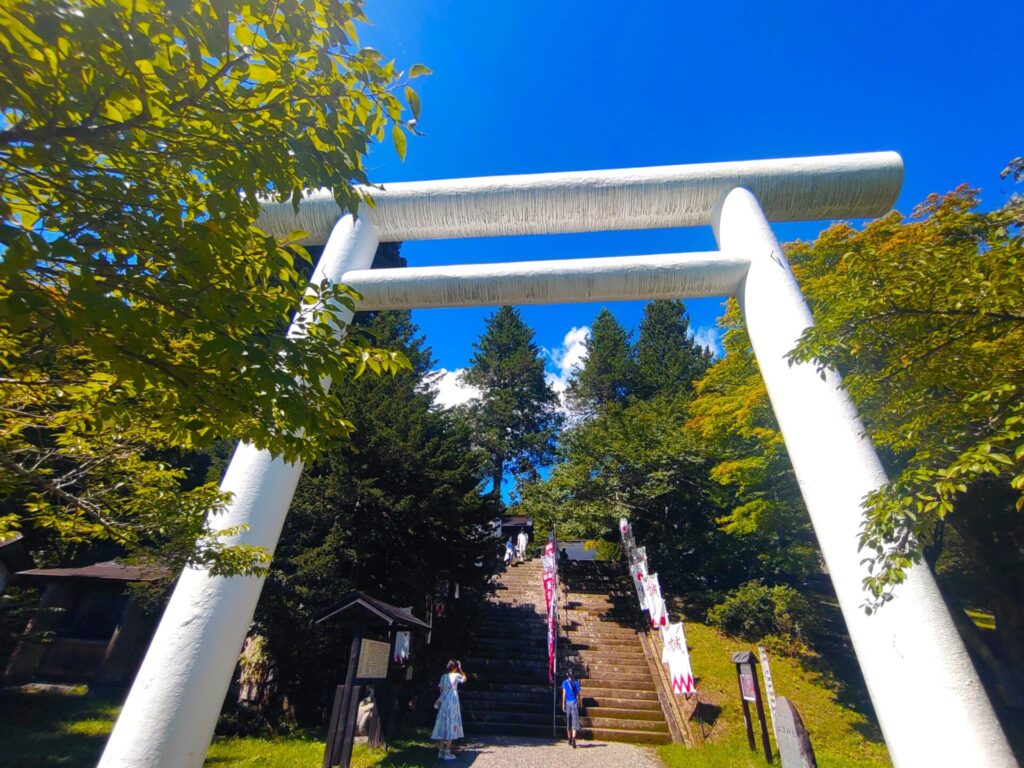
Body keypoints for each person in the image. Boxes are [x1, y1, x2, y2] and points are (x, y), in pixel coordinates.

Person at [432, 659, 466, 760]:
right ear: (455, 667)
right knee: (451, 723)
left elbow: (441, 690)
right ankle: (447, 751)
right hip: (453, 702)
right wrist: (461, 669)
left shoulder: (443, 677)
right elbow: (464, 679)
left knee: (443, 723)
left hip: (444, 702)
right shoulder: (457, 676)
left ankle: (441, 751)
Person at [562, 666, 582, 747]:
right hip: (574, 703)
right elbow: (578, 695)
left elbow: (564, 694)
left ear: (567, 674)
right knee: (575, 721)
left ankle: (569, 738)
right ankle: (574, 739)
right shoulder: (576, 683)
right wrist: (580, 702)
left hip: (568, 702)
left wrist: (563, 703)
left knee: (568, 721)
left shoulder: (565, 683)